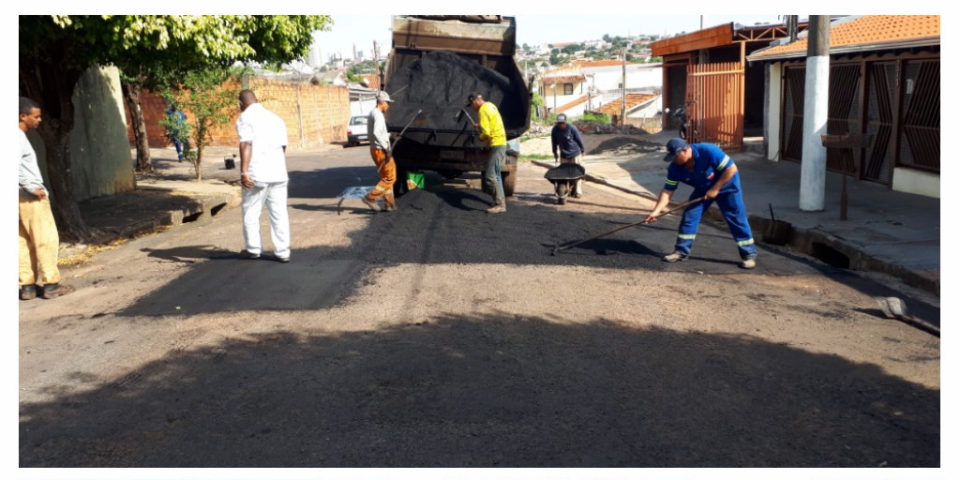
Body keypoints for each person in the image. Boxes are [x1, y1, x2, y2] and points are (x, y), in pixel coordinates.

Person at [645, 138, 758, 269]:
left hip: (727, 187)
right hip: (703, 190)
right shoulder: (675, 168)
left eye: (676, 156)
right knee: (690, 216)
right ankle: (681, 251)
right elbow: (667, 192)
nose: (674, 159)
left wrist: (715, 189)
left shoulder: (708, 151)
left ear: (686, 150)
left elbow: (731, 169)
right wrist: (656, 211)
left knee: (735, 218)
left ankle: (749, 255)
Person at [19, 97, 73, 300]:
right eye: (36, 116)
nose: (39, 120)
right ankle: (51, 283)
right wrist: (31, 187)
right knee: (45, 239)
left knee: (22, 242)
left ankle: (28, 287)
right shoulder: (16, 138)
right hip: (29, 199)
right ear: (22, 117)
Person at [235, 90, 291, 263]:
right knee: (279, 213)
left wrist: (244, 172)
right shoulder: (276, 118)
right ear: (257, 100)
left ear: (241, 104)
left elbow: (246, 143)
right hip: (279, 173)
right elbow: (283, 147)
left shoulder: (245, 118)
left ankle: (253, 248)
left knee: (251, 211)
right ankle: (283, 252)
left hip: (257, 174)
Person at [468, 92, 507, 213]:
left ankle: (500, 204)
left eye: (471, 104)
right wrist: (479, 124)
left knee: (490, 177)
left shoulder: (482, 110)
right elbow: (492, 121)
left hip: (496, 143)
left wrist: (480, 137)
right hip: (501, 142)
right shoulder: (490, 105)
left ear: (475, 101)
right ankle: (501, 202)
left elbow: (487, 133)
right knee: (497, 176)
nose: (473, 108)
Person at [362, 91, 397, 212]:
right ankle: (370, 197)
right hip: (380, 150)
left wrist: (390, 135)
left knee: (385, 177)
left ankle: (389, 203)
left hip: (375, 149)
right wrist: (386, 148)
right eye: (387, 103)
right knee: (390, 177)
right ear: (381, 102)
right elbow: (377, 133)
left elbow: (379, 132)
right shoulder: (378, 115)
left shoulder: (373, 113)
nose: (388, 105)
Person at [550, 113, 586, 198]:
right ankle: (565, 188)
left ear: (566, 122)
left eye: (562, 123)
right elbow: (554, 143)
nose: (561, 125)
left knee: (577, 174)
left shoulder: (572, 128)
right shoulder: (555, 130)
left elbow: (579, 139)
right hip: (564, 155)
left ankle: (578, 191)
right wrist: (555, 153)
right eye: (559, 123)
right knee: (564, 174)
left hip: (575, 154)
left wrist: (582, 150)